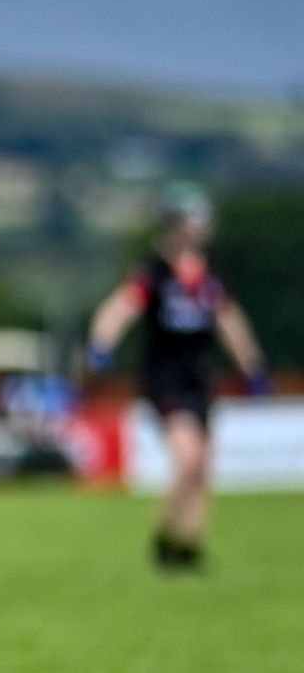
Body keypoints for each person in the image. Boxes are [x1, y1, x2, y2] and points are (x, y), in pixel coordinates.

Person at [87, 185, 269, 572]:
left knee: (203, 463)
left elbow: (229, 322)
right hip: (163, 376)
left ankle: (189, 545)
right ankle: (165, 535)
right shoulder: (154, 271)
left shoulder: (211, 275)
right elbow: (121, 308)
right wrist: (101, 344)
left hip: (199, 375)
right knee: (186, 455)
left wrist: (252, 366)